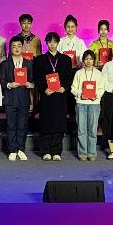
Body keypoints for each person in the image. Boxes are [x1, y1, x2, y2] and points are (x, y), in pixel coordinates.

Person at [33, 32, 72, 160]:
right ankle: (46, 151)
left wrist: (64, 87)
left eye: (54, 42)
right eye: (50, 42)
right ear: (46, 43)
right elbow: (37, 77)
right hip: (47, 96)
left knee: (59, 123)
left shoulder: (66, 59)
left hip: (60, 96)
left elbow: (69, 77)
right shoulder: (40, 59)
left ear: (58, 43)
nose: (52, 44)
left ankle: (56, 151)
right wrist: (44, 89)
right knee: (46, 123)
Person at [0, 35, 34, 160]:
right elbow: (1, 81)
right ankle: (12, 150)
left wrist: (30, 84)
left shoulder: (28, 64)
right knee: (11, 125)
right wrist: (9, 84)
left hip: (24, 98)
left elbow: (33, 80)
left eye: (19, 46)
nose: (17, 48)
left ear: (22, 47)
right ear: (10, 48)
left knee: (22, 125)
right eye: (14, 46)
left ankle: (21, 149)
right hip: (10, 98)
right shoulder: (5, 64)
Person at [72, 50, 103, 160]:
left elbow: (102, 88)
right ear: (83, 60)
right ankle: (82, 153)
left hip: (94, 104)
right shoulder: (79, 73)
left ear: (94, 60)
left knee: (92, 130)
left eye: (90, 59)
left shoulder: (99, 74)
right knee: (81, 129)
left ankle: (92, 153)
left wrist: (96, 95)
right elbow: (73, 88)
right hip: (81, 103)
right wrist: (80, 95)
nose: (88, 61)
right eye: (86, 59)